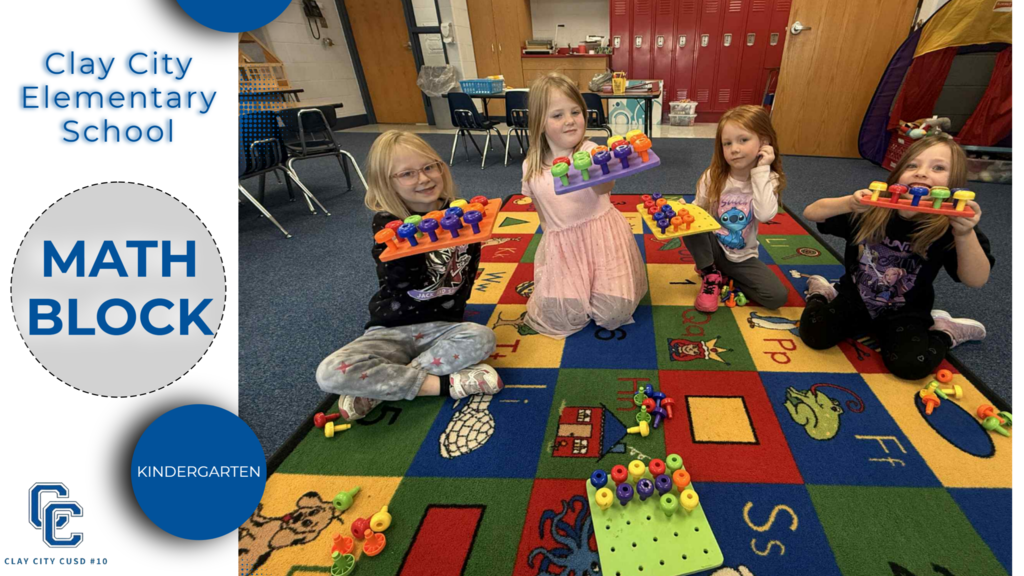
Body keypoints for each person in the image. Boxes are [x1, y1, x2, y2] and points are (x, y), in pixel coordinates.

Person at [316, 131, 503, 420]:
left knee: (483, 338)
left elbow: (467, 274)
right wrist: (415, 241)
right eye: (407, 174)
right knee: (329, 373)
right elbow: (403, 283)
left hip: (444, 327)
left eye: (430, 167)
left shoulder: (462, 215)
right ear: (386, 183)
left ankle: (383, 386)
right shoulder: (388, 225)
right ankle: (442, 385)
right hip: (392, 328)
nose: (424, 179)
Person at [799, 134, 993, 380]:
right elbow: (812, 212)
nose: (921, 173)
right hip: (854, 299)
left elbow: (976, 279)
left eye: (938, 168)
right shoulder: (871, 211)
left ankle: (945, 331)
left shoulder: (952, 226)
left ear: (954, 184)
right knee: (814, 334)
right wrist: (849, 202)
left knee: (911, 366)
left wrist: (964, 234)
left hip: (906, 312)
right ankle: (822, 292)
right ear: (897, 174)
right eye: (912, 165)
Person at [520, 73, 647, 338]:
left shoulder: (590, 151)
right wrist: (556, 256)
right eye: (557, 115)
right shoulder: (531, 165)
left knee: (614, 314)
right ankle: (578, 286)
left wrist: (603, 169)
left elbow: (604, 188)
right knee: (562, 315)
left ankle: (600, 285)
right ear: (539, 122)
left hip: (603, 240)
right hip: (565, 246)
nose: (569, 121)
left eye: (575, 112)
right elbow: (542, 212)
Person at [685, 105, 789, 313]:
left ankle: (724, 274)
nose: (734, 149)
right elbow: (699, 210)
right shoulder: (713, 176)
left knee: (776, 297)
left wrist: (761, 170)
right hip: (714, 245)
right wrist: (683, 212)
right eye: (727, 143)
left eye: (743, 140)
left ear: (764, 142)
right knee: (691, 222)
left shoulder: (768, 179)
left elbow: (766, 215)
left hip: (743, 256)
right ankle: (710, 273)